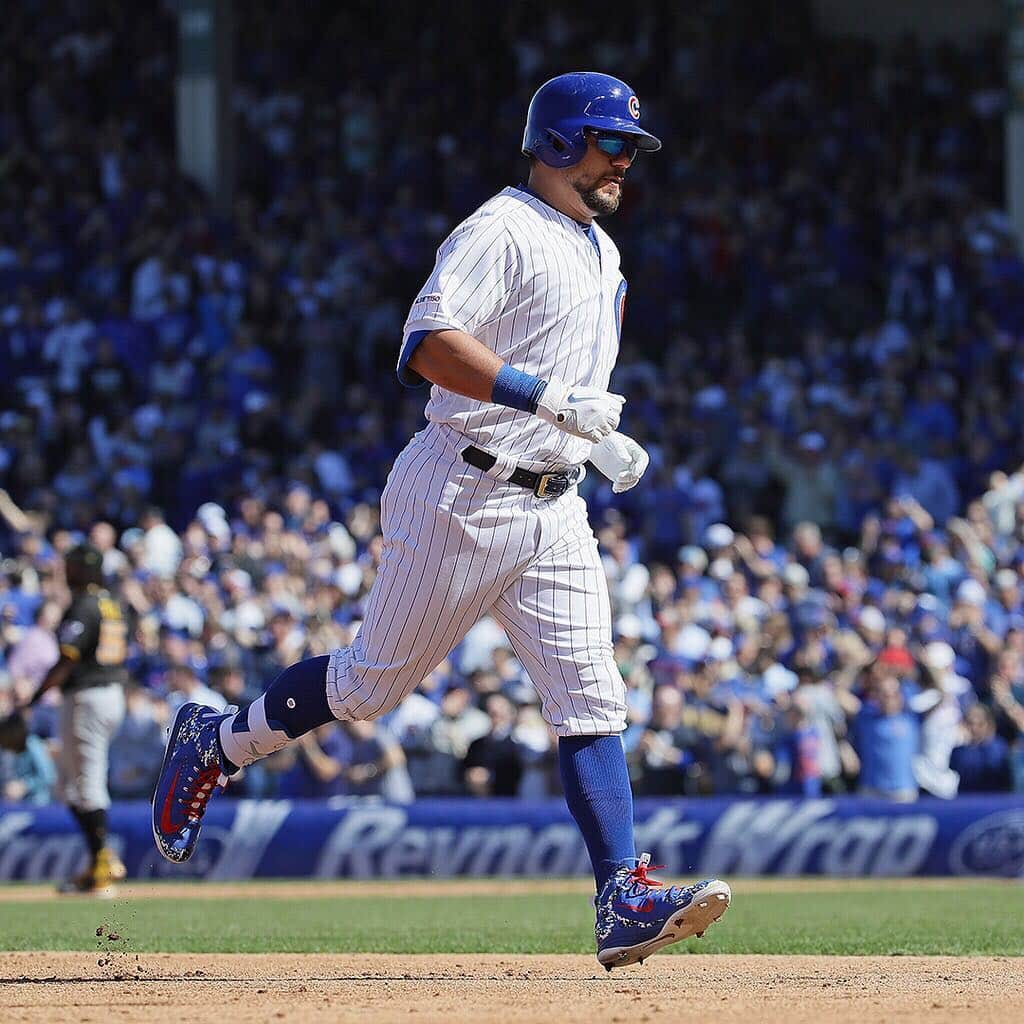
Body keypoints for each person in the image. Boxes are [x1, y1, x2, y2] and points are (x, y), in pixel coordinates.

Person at [151, 71, 730, 970]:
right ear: (561, 142)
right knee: (367, 688)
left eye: (630, 148)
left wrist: (590, 443)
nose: (626, 162)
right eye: (613, 144)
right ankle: (215, 743)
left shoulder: (602, 250)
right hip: (461, 491)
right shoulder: (500, 229)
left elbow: (565, 382)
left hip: (551, 500)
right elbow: (426, 344)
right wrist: (550, 405)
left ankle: (622, 893)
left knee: (592, 693)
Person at [24, 545, 129, 893]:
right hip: (109, 692)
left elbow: (67, 659)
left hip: (88, 695)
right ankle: (96, 862)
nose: (65, 572)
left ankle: (103, 864)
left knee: (86, 783)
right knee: (68, 785)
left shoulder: (85, 604)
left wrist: (32, 700)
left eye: (70, 567)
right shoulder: (112, 602)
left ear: (85, 570)